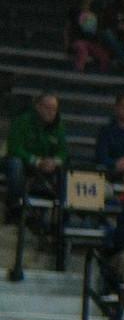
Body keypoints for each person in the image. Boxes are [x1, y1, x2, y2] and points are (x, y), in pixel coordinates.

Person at [4, 91, 67, 223]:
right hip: (23, 162)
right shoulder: (22, 121)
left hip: (47, 166)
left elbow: (63, 151)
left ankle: (62, 216)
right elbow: (14, 148)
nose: (51, 112)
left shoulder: (59, 126)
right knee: (15, 163)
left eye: (54, 109)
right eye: (47, 108)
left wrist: (54, 161)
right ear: (38, 107)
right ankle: (14, 207)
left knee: (65, 169)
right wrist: (36, 161)